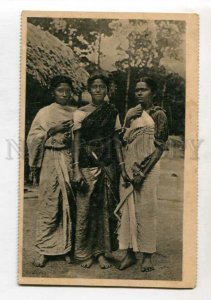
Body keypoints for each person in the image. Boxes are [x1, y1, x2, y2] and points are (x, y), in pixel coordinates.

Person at [73, 73, 130, 269]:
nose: (98, 90)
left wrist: (122, 168)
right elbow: (77, 141)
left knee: (104, 211)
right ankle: (84, 253)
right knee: (85, 209)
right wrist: (76, 169)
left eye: (101, 87)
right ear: (89, 90)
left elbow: (116, 141)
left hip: (107, 165)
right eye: (94, 86)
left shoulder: (112, 112)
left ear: (107, 90)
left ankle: (101, 254)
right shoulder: (80, 112)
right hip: (86, 164)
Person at [117, 76, 168, 272]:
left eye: (144, 89)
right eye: (137, 90)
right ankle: (129, 253)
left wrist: (142, 173)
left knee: (146, 210)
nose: (139, 93)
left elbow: (159, 148)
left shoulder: (158, 114)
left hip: (148, 169)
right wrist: (128, 118)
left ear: (152, 92)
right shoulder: (133, 113)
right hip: (130, 166)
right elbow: (122, 141)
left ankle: (147, 256)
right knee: (128, 210)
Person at [27, 75, 77, 267]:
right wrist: (52, 130)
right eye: (60, 90)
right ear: (53, 92)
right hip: (49, 159)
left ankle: (65, 248)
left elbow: (82, 138)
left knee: (68, 202)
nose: (64, 94)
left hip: (68, 159)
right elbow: (32, 138)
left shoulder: (75, 112)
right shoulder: (45, 113)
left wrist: (70, 139)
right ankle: (44, 250)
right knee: (49, 202)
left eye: (67, 90)